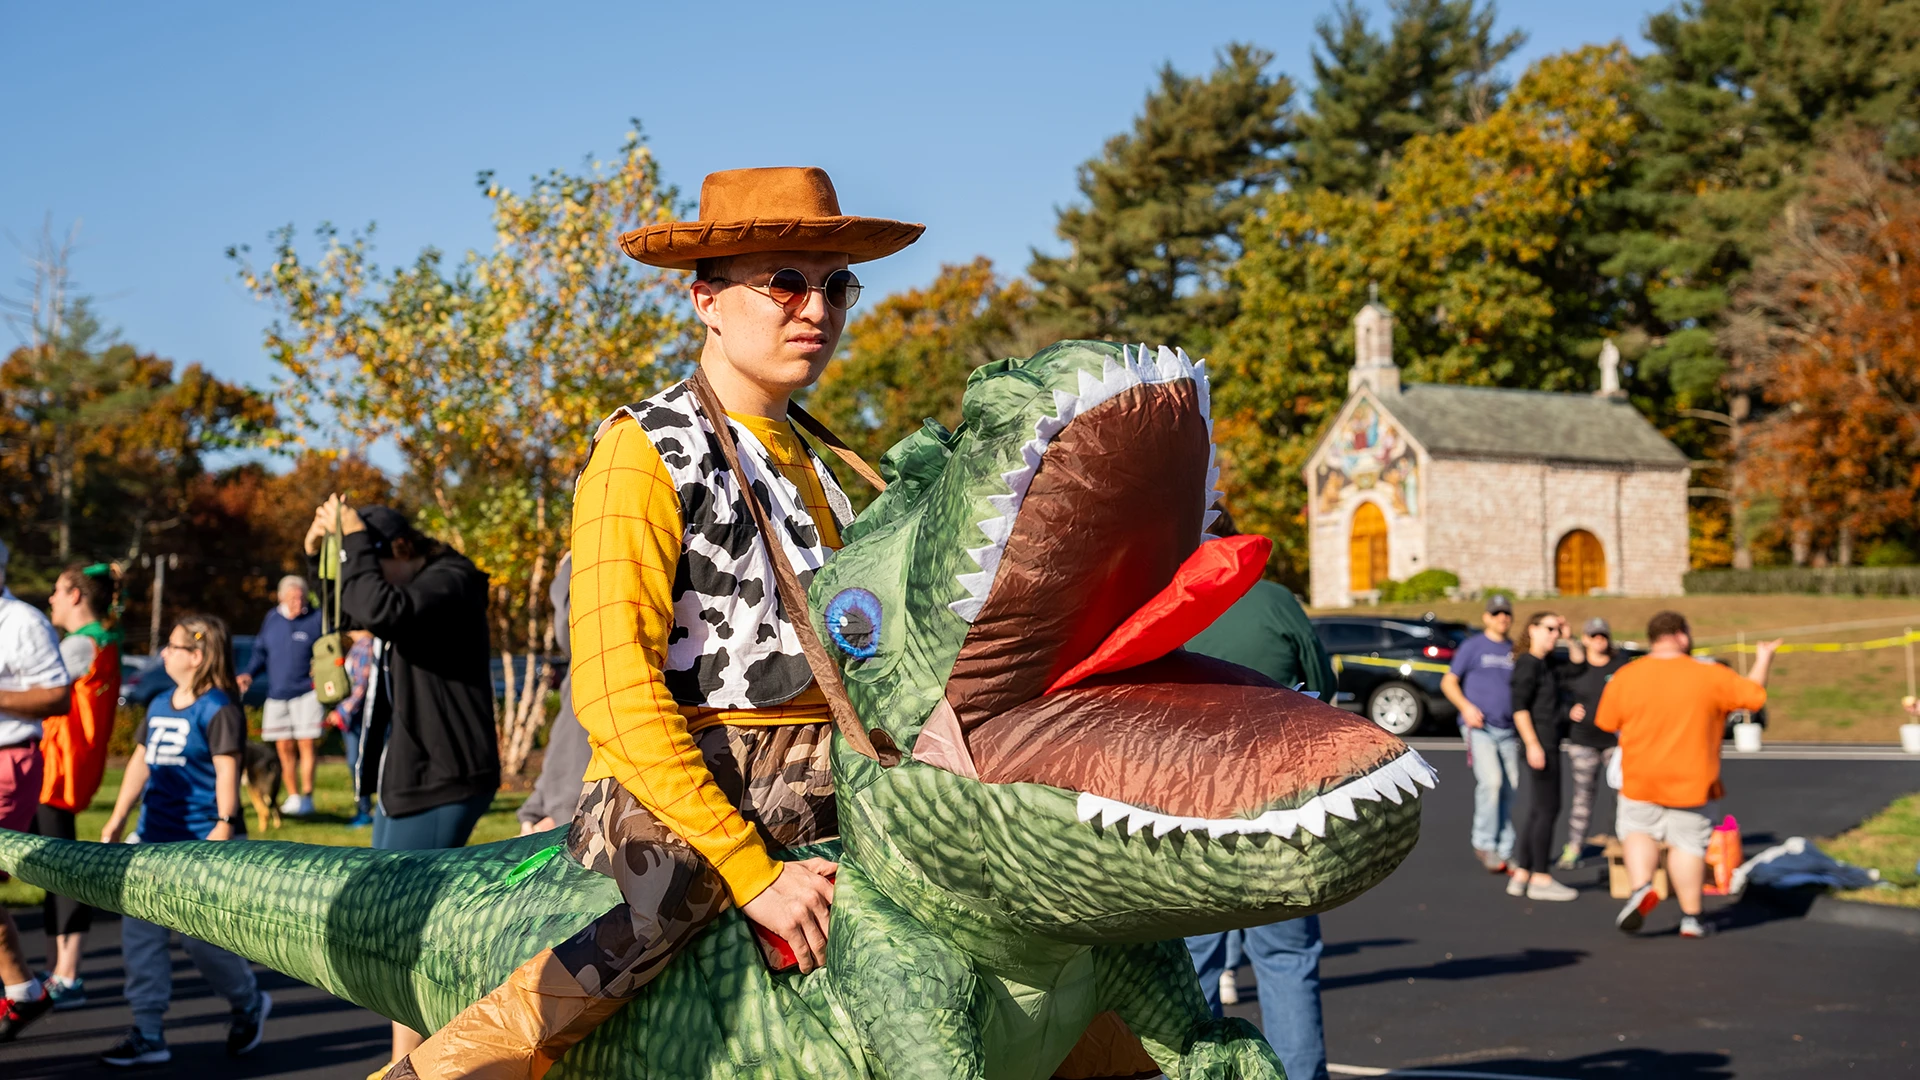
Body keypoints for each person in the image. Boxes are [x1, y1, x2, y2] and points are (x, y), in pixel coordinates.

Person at [383, 166, 922, 1080]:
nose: (816, 308)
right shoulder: (644, 450)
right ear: (706, 300)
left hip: (844, 789)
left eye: (836, 285)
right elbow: (613, 688)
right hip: (680, 802)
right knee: (652, 913)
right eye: (784, 282)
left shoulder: (842, 466)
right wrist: (751, 871)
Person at [302, 499, 498, 1073]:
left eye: (371, 559)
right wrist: (321, 553)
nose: (364, 574)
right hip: (406, 773)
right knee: (392, 927)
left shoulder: (452, 580)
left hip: (445, 776)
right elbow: (345, 604)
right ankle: (407, 1061)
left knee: (405, 928)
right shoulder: (411, 582)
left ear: (403, 549)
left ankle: (416, 1062)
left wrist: (355, 542)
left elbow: (375, 607)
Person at [1182, 533, 1337, 1080]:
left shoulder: (1167, 601)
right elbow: (1324, 687)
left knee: (1193, 969)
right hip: (1281, 808)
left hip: (1189, 812)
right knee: (1288, 961)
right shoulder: (1274, 600)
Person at [98, 614, 270, 1066]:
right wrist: (118, 819)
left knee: (201, 942)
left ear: (196, 656)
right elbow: (140, 763)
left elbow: (227, 770)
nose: (164, 654)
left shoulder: (219, 708)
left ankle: (248, 1001)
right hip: (151, 839)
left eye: (172, 647)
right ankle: (149, 1031)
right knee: (141, 939)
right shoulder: (158, 703)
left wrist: (224, 823)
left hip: (201, 843)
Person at [1597, 611, 1780, 938]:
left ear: (1652, 638)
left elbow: (1607, 722)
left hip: (1640, 776)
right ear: (1682, 635)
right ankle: (1691, 918)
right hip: (1694, 780)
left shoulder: (1626, 676)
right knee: (1688, 847)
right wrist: (1764, 657)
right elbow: (1752, 696)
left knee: (1638, 832)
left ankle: (1641, 888)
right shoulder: (1709, 674)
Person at [35, 563, 124, 1009]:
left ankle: (66, 974)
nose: (50, 598)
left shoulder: (77, 645)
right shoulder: (99, 642)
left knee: (59, 870)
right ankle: (59, 971)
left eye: (55, 589)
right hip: (66, 766)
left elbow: (33, 689)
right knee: (52, 869)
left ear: (74, 595)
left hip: (53, 766)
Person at [0, 536, 73, 1043]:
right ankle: (23, 991)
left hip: (8, 759)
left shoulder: (23, 622)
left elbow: (58, 696)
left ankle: (23, 990)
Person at [1442, 594, 1518, 873]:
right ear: (1486, 617)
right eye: (1496, 613)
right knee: (1492, 782)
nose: (1502, 618)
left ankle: (1505, 848)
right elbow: (1449, 682)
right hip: (1479, 727)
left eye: (1506, 613)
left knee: (1511, 788)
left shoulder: (1514, 649)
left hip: (1508, 729)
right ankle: (1484, 842)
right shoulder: (1474, 646)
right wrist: (1467, 707)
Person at [238, 575, 325, 817]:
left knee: (306, 743)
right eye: (294, 598)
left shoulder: (315, 618)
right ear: (281, 598)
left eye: (302, 597)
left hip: (307, 692)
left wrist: (322, 669)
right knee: (284, 747)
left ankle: (307, 798)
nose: (299, 602)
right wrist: (248, 673)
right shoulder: (272, 619)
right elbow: (260, 653)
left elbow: (328, 648)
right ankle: (293, 796)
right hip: (277, 693)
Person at [1507, 611, 1579, 901]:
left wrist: (1568, 634)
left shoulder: (1545, 663)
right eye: (1549, 628)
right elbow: (1519, 707)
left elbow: (1578, 664)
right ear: (1532, 630)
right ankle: (1540, 876)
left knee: (1538, 809)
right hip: (1541, 743)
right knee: (1549, 808)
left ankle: (1523, 873)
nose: (1554, 634)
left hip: (1547, 741)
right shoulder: (1527, 664)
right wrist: (1533, 744)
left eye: (1556, 629)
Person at [518, 553, 587, 836]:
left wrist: (561, 811)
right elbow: (566, 736)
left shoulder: (600, 663)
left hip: (577, 818)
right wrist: (536, 808)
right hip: (559, 811)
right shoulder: (582, 670)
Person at [1557, 617, 1626, 868]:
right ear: (1585, 639)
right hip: (1583, 741)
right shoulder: (1576, 668)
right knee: (1583, 797)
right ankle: (1574, 847)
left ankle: (1621, 842)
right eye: (1594, 636)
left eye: (1603, 636)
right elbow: (1555, 696)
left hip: (1614, 742)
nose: (1599, 640)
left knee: (1623, 794)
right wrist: (1568, 711)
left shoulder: (1620, 666)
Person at [327, 628, 377, 827]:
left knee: (357, 763)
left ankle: (365, 811)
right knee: (356, 763)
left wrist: (342, 711)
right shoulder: (358, 646)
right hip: (355, 716)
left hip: (359, 716)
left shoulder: (366, 646)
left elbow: (361, 685)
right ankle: (363, 809)